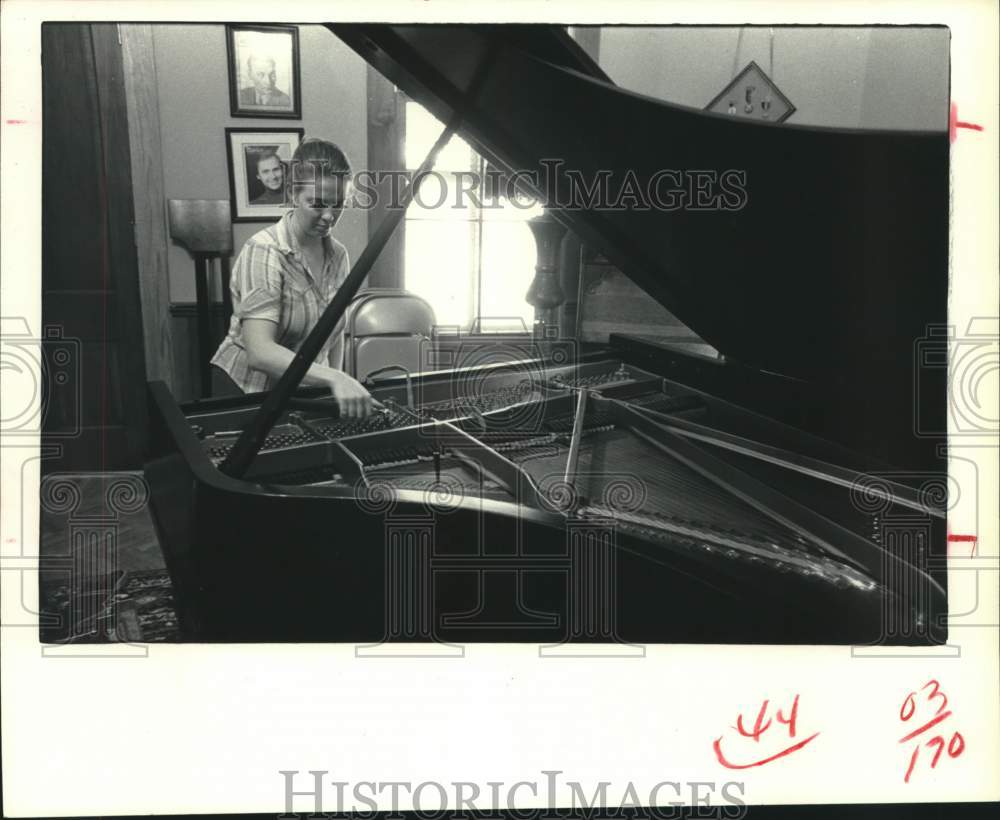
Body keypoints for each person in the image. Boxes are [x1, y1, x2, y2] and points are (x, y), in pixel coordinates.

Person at [211, 138, 374, 417]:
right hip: (247, 392)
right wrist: (335, 379)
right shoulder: (264, 251)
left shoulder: (338, 255)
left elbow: (334, 335)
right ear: (292, 195)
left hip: (301, 391)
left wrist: (333, 385)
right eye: (317, 204)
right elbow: (260, 351)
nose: (329, 216)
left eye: (338, 205)